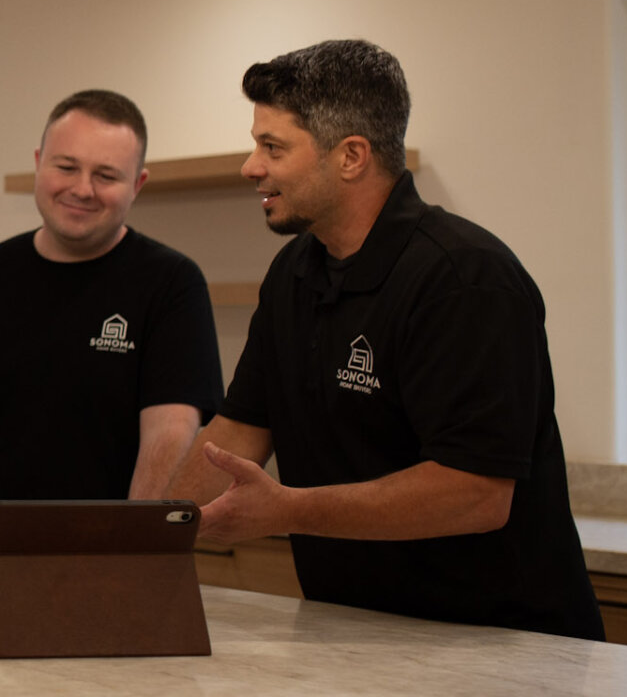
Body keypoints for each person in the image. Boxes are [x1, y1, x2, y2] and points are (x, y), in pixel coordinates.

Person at [165, 39, 604, 640]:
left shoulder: (465, 279)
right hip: (354, 632)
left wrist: (287, 510)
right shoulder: (295, 273)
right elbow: (238, 431)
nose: (251, 166)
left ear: (351, 156)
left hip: (504, 649)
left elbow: (474, 493)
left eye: (273, 146)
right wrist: (148, 537)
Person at [0, 90, 223, 560]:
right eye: (66, 166)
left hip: (98, 568)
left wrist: (129, 565)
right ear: (39, 163)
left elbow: (170, 434)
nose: (82, 188)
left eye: (106, 175)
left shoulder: (171, 284)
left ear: (137, 183)